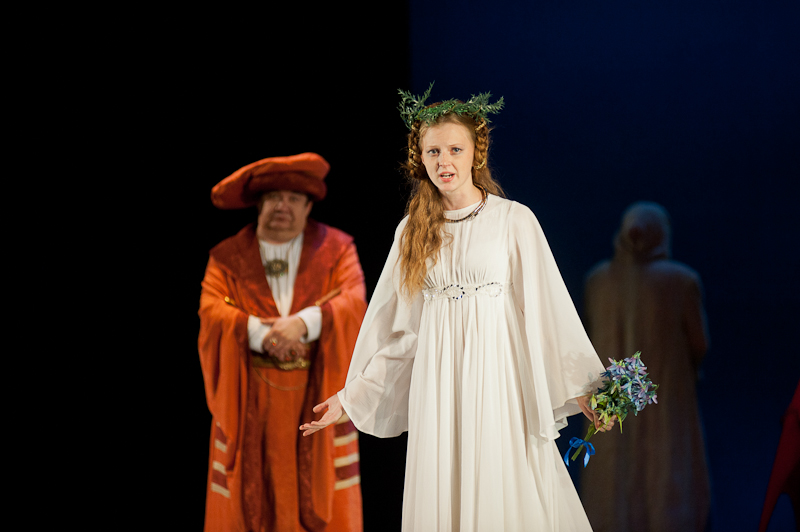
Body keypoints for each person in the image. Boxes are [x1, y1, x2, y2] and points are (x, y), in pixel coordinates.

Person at [300, 86, 613, 531]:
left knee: (503, 489)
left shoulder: (513, 220)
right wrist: (352, 397)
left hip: (500, 384)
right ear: (420, 158)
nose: (443, 161)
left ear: (475, 154)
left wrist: (585, 387)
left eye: (454, 150)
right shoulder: (411, 231)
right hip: (439, 388)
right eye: (433, 151)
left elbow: (546, 311)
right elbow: (401, 333)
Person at [198, 152, 367, 532]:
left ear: (308, 206)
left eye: (293, 198)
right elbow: (211, 310)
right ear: (259, 204)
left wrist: (304, 324)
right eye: (274, 197)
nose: (283, 206)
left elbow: (355, 300)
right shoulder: (227, 257)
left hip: (316, 393)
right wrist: (259, 333)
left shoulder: (337, 249)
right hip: (251, 397)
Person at [579, 201, 711, 532]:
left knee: (613, 470)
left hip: (611, 398)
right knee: (664, 468)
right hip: (665, 398)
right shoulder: (681, 281)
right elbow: (700, 344)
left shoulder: (598, 281)